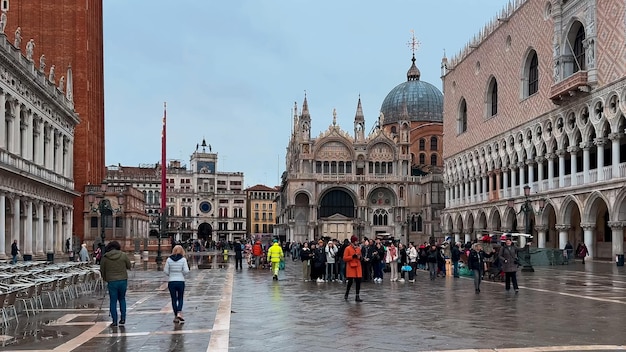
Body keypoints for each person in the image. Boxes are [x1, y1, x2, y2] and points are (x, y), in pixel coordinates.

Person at [100, 241, 131, 327]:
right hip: (123, 280)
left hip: (112, 281)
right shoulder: (123, 255)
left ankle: (114, 321)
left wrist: (106, 278)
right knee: (122, 299)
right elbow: (129, 266)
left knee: (113, 301)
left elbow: (102, 270)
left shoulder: (105, 257)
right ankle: (123, 318)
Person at [164, 245, 190, 323]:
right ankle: (179, 312)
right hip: (180, 281)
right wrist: (181, 274)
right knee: (180, 298)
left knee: (174, 299)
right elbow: (186, 271)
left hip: (171, 281)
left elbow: (165, 271)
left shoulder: (169, 259)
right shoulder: (183, 259)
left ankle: (176, 316)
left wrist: (171, 274)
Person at [343, 235, 363, 302]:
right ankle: (347, 294)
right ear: (353, 241)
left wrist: (360, 257)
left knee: (358, 282)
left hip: (358, 267)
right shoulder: (348, 248)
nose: (357, 242)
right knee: (350, 282)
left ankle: (357, 296)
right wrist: (352, 256)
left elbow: (360, 256)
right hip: (351, 267)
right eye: (356, 241)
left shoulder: (358, 248)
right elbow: (345, 258)